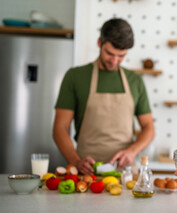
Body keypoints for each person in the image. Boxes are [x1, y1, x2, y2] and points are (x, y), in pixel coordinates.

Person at [53, 18, 154, 175]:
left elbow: (148, 127)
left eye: (121, 56)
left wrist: (132, 151)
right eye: (109, 54)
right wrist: (76, 161)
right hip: (85, 172)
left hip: (124, 173)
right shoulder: (75, 77)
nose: (114, 61)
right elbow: (60, 127)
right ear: (99, 42)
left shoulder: (135, 81)